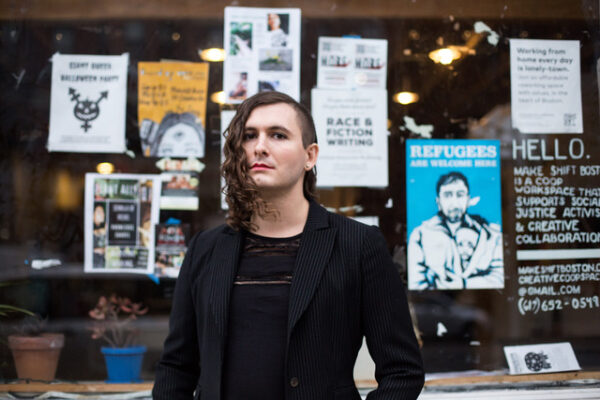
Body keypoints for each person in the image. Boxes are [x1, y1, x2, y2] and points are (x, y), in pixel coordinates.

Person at [153, 91, 424, 400]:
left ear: (310, 156)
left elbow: (402, 372)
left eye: (278, 135)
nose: (260, 147)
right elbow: (176, 368)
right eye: (249, 136)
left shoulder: (358, 245)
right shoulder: (206, 248)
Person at [407, 171, 503, 290]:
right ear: (438, 202)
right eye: (447, 195)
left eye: (460, 195)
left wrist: (464, 284)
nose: (454, 202)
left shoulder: (491, 234)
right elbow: (416, 284)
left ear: (468, 199)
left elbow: (499, 278)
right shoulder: (419, 235)